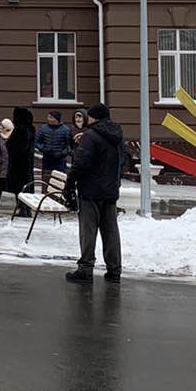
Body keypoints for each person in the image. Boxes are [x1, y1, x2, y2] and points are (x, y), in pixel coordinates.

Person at [66, 103, 124, 283]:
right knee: (111, 231)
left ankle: (85, 269)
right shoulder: (117, 136)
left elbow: (82, 162)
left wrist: (70, 181)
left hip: (90, 190)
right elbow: (124, 160)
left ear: (94, 118)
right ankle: (114, 270)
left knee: (88, 230)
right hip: (110, 190)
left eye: (89, 116)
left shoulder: (91, 136)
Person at [4, 107, 35, 215]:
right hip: (27, 163)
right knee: (26, 186)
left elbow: (14, 146)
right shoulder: (31, 128)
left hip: (19, 164)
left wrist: (8, 143)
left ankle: (23, 209)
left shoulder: (20, 129)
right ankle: (26, 209)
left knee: (19, 186)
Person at [35, 110, 73, 181]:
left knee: (59, 180)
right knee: (46, 179)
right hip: (47, 159)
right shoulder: (43, 128)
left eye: (51, 117)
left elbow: (69, 145)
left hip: (60, 160)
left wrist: (63, 153)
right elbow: (37, 142)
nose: (49, 119)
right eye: (48, 117)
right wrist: (43, 148)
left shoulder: (65, 130)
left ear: (56, 119)